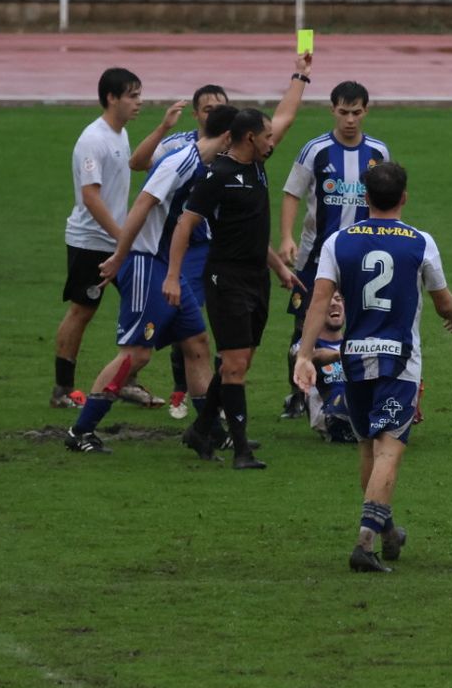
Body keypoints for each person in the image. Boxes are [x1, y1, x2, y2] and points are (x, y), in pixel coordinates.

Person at [295, 162, 452, 573]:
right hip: (399, 361)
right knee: (390, 448)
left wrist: (305, 353)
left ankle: (386, 532)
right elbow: (442, 300)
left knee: (368, 444)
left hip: (354, 358)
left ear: (365, 198)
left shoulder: (338, 241)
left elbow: (319, 301)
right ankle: (364, 542)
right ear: (404, 197)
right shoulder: (420, 242)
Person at [129, 57, 313, 416]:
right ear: (199, 115)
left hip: (222, 246)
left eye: (222, 107)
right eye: (209, 108)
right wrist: (162, 129)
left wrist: (301, 75)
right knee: (180, 321)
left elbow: (283, 120)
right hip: (182, 248)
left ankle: (205, 409)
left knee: (205, 332)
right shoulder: (181, 152)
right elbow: (139, 167)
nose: (217, 112)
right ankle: (160, 383)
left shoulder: (249, 158)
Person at [62, 104, 238, 453]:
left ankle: (208, 430)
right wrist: (120, 256)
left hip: (163, 265)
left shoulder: (205, 165)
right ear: (229, 137)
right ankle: (81, 431)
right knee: (136, 354)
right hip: (145, 264)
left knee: (196, 343)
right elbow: (142, 204)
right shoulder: (181, 162)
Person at [165, 108, 304, 470]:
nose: (273, 142)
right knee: (236, 365)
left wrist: (279, 269)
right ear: (249, 138)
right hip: (225, 279)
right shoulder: (217, 176)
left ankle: (199, 430)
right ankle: (241, 450)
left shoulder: (256, 168)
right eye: (268, 137)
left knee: (236, 364)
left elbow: (254, 232)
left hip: (257, 277)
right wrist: (172, 276)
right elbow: (185, 225)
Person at [279, 80, 389, 416]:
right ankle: (298, 394)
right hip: (316, 254)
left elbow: (387, 198)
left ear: (366, 111)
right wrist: (286, 236)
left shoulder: (379, 153)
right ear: (332, 111)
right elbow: (292, 193)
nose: (350, 119)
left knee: (357, 322)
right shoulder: (316, 150)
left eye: (356, 112)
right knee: (303, 325)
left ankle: (352, 389)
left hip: (361, 256)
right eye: (344, 112)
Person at [51, 67, 142, 409]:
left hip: (117, 241)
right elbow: (91, 197)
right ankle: (62, 390)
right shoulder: (94, 139)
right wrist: (123, 238)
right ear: (111, 98)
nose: (139, 102)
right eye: (132, 96)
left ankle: (128, 380)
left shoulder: (120, 134)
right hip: (91, 243)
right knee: (82, 311)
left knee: (141, 304)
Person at [296, 290, 359, 444]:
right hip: (329, 414)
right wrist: (340, 355)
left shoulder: (356, 343)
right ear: (310, 314)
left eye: (338, 299)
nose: (334, 303)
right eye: (327, 301)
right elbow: (313, 356)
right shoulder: (303, 348)